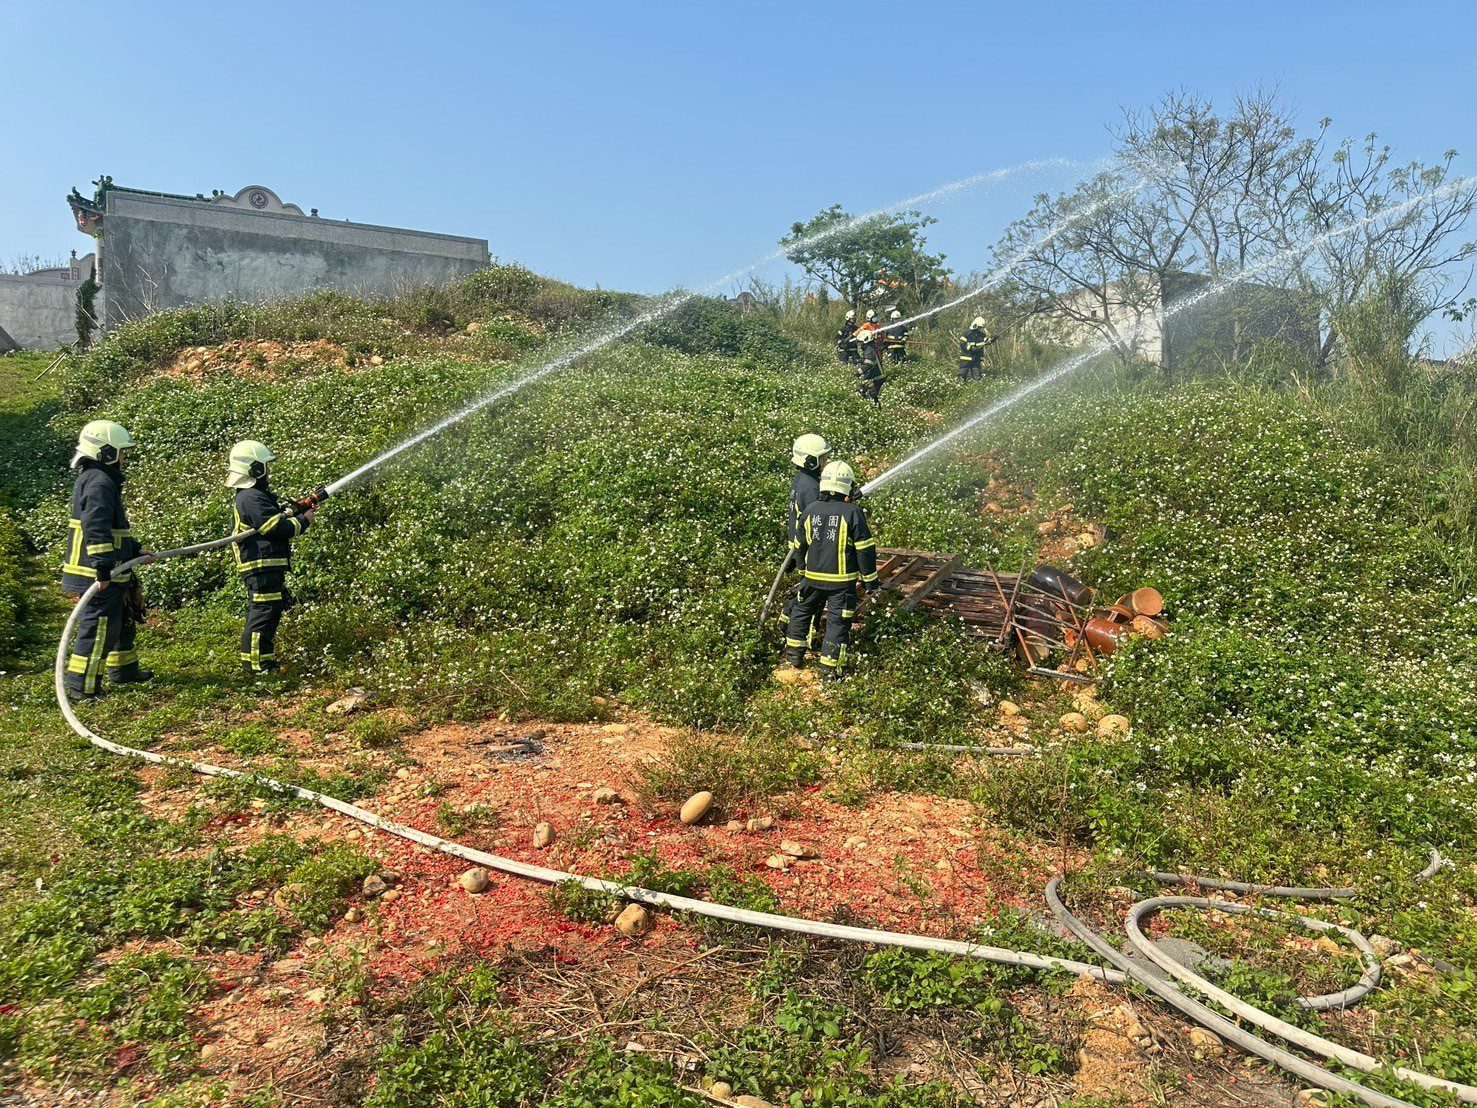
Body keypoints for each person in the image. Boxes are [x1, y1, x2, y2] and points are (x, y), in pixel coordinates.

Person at [61, 420, 152, 701]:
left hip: (111, 566)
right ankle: (81, 687)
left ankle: (123, 670)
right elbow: (96, 526)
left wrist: (134, 550)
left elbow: (116, 527)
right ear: (105, 452)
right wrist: (102, 567)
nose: (124, 458)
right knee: (99, 627)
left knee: (121, 619)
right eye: (121, 452)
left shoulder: (100, 479)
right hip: (96, 571)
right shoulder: (100, 482)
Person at [783, 461, 878, 681]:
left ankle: (794, 655)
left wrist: (803, 571)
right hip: (841, 584)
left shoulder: (810, 510)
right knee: (837, 623)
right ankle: (828, 671)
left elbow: (799, 546)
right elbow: (865, 550)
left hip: (812, 579)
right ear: (847, 485)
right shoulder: (853, 513)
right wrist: (869, 580)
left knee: (801, 613)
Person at [227, 440, 315, 676]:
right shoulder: (250, 497)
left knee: (269, 611)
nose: (269, 471)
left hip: (266, 565)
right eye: (265, 466)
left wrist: (295, 511)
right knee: (264, 613)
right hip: (260, 565)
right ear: (255, 469)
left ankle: (263, 663)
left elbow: (273, 519)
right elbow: (274, 528)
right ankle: (257, 666)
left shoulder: (254, 496)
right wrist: (304, 521)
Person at [780, 433, 830, 642]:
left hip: (800, 546)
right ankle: (807, 636)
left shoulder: (803, 479)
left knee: (806, 590)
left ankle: (785, 620)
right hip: (810, 549)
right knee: (814, 595)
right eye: (822, 458)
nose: (825, 462)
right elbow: (819, 516)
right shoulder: (810, 487)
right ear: (810, 461)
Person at [957, 316, 996, 382]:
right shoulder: (967, 333)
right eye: (979, 327)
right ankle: (960, 388)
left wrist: (993, 339)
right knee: (962, 375)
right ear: (975, 325)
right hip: (966, 358)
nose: (980, 328)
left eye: (981, 327)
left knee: (977, 377)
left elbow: (986, 341)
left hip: (976, 359)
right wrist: (972, 349)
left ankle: (977, 389)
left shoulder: (981, 334)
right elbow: (962, 344)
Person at [855, 329, 884, 407]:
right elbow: (867, 359)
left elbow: (868, 364)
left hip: (877, 377)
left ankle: (877, 410)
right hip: (874, 376)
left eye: (860, 342)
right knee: (863, 390)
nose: (860, 344)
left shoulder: (869, 350)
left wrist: (859, 372)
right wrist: (858, 360)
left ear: (865, 341)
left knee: (872, 394)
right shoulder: (869, 348)